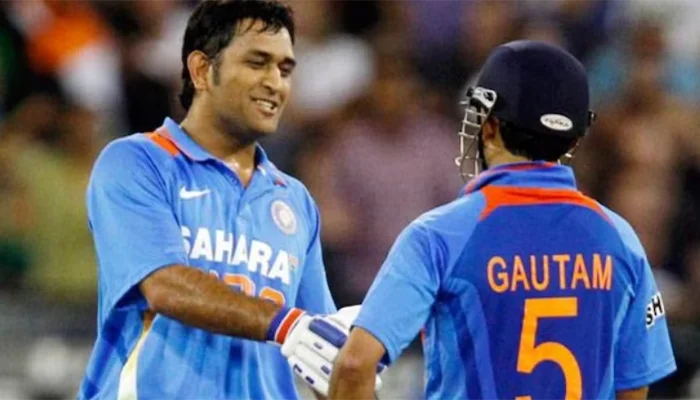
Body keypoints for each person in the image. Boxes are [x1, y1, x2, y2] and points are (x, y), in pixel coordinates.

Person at [327, 40, 677, 399]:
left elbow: (355, 365)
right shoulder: (619, 236)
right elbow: (633, 386)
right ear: (572, 136)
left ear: (490, 127)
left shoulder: (438, 235)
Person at [78, 1, 345, 398]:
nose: (276, 83)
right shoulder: (137, 162)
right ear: (202, 70)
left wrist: (347, 367)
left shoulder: (296, 200)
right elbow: (165, 285)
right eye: (258, 63)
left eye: (285, 69)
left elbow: (321, 352)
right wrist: (287, 325)